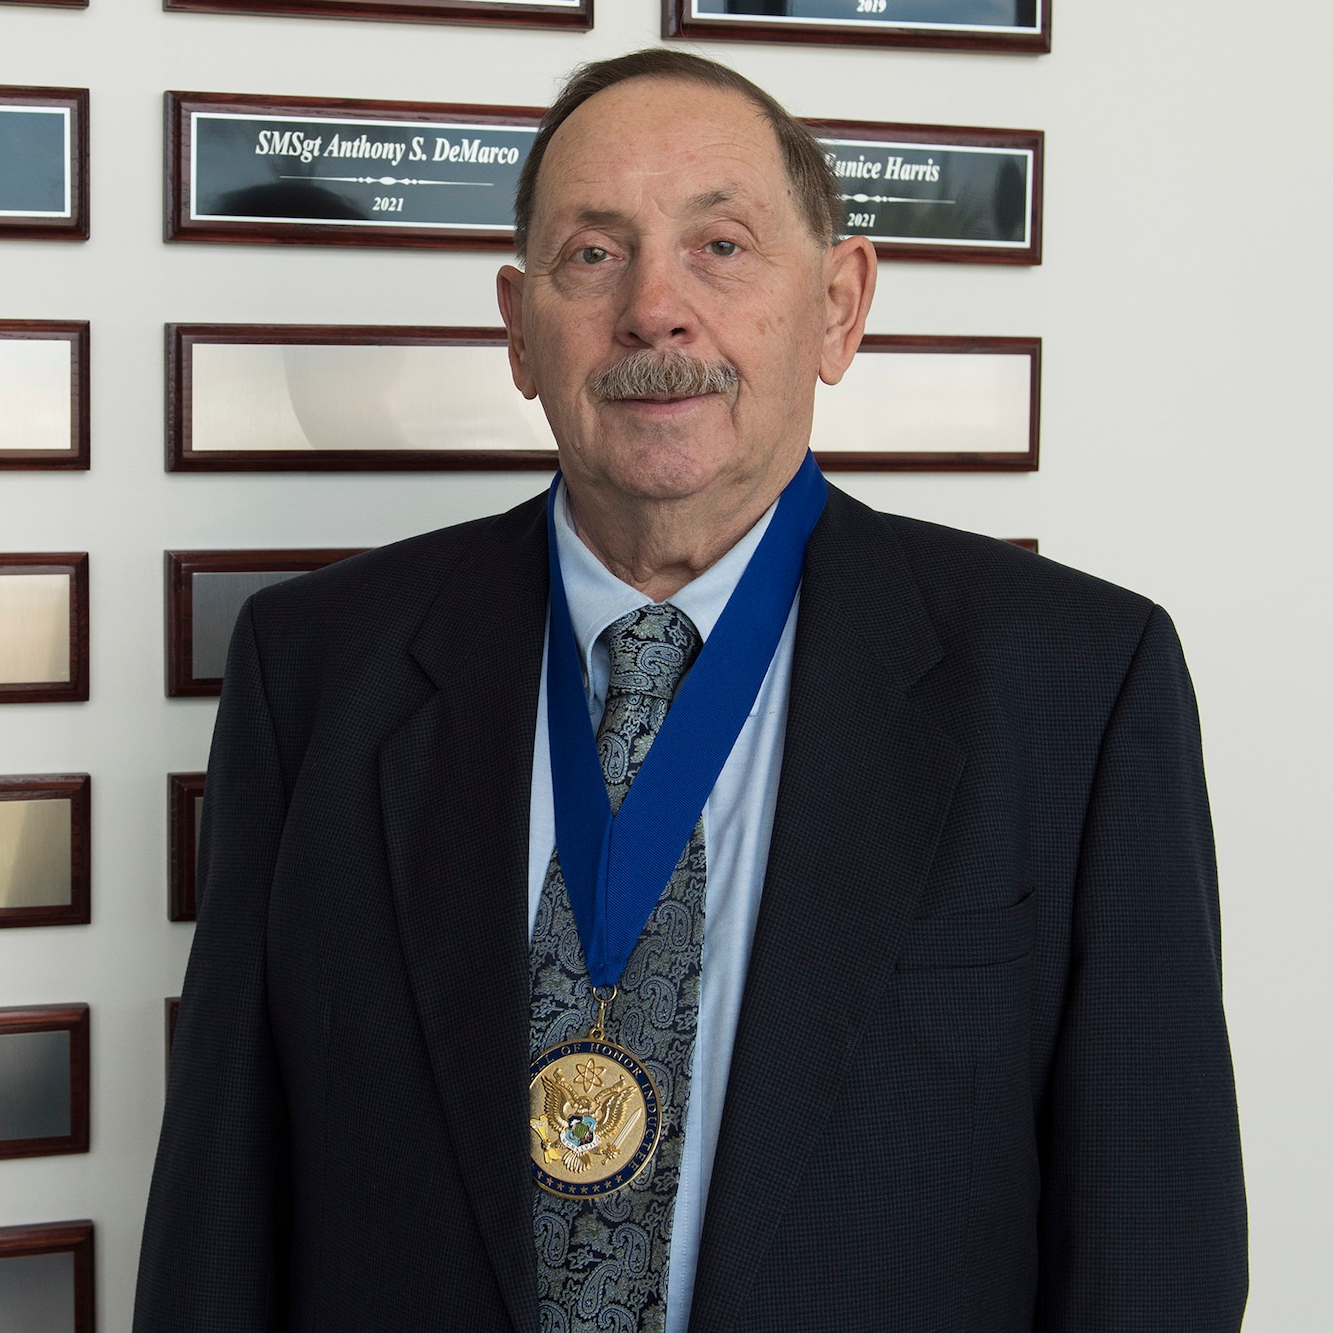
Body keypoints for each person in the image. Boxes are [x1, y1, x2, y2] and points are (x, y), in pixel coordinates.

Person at [135, 48, 1247, 1333]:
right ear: (516, 325)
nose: (654, 310)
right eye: (592, 254)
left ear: (837, 304)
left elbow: (1151, 1242)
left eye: (719, 246)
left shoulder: (1078, 685)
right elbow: (220, 1204)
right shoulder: (317, 668)